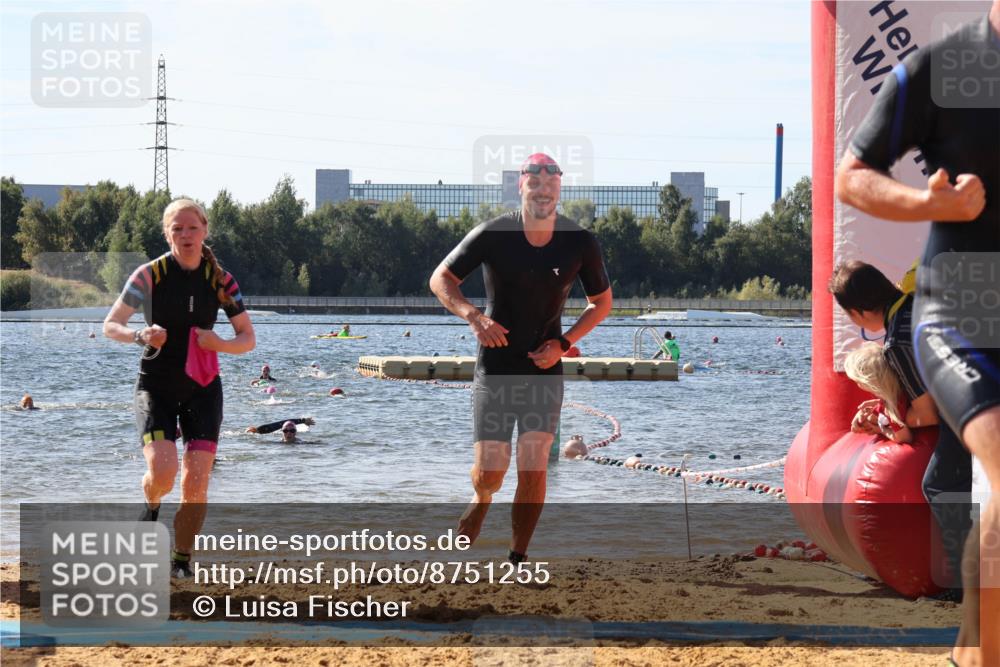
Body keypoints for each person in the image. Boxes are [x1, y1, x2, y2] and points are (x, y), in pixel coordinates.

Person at [835, 6, 1000, 663]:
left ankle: (969, 645)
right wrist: (931, 204)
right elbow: (852, 174)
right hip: (961, 312)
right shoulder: (946, 66)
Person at [429, 152, 612, 564]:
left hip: (544, 370)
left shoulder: (580, 241)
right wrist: (474, 317)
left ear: (560, 188)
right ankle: (481, 498)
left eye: (551, 184)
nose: (543, 190)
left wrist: (563, 345)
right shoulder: (494, 233)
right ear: (522, 185)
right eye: (534, 182)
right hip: (495, 369)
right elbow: (440, 279)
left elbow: (601, 304)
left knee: (533, 467)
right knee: (490, 473)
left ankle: (517, 558)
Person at [103, 198, 256, 579]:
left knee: (196, 482)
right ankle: (151, 505)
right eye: (177, 228)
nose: (185, 235)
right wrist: (140, 334)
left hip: (203, 387)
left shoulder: (220, 279)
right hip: (156, 385)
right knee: (164, 473)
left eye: (192, 228)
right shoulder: (149, 275)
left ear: (205, 231)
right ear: (167, 233)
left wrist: (217, 343)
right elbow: (111, 324)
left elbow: (247, 339)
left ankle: (181, 561)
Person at [830, 260, 970, 596]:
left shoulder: (898, 343)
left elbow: (928, 415)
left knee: (939, 484)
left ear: (858, 312)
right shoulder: (915, 302)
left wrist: (886, 421)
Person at [844, 343, 914, 444]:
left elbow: (904, 438)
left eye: (858, 382)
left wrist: (881, 430)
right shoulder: (902, 390)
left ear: (871, 383)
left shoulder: (892, 410)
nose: (857, 384)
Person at [246, 417, 315, 436]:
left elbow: (282, 424)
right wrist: (259, 430)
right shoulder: (277, 444)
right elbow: (280, 424)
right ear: (282, 431)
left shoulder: (301, 443)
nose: (288, 433)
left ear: (295, 432)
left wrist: (302, 420)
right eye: (285, 431)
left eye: (292, 431)